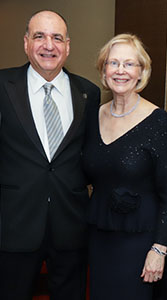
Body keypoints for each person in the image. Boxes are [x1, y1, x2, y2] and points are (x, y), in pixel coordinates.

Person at [0, 10, 100, 300]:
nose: (49, 45)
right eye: (39, 36)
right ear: (26, 43)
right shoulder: (3, 86)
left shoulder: (88, 93)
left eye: (57, 38)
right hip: (14, 226)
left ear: (67, 46)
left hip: (70, 226)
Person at [82, 33, 167, 300]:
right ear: (104, 70)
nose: (120, 70)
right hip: (99, 237)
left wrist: (159, 249)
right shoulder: (94, 115)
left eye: (129, 64)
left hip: (140, 242)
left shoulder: (159, 122)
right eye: (113, 63)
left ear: (141, 72)